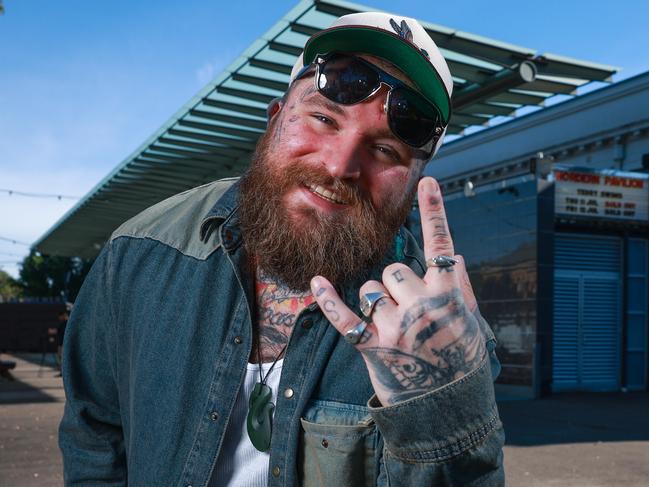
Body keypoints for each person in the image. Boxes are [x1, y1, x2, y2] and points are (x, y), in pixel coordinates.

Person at [59, 12, 505, 486]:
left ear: (413, 182)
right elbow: (95, 434)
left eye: (385, 151)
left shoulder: (443, 337)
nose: (339, 166)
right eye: (323, 119)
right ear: (275, 121)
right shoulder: (141, 254)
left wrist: (440, 418)